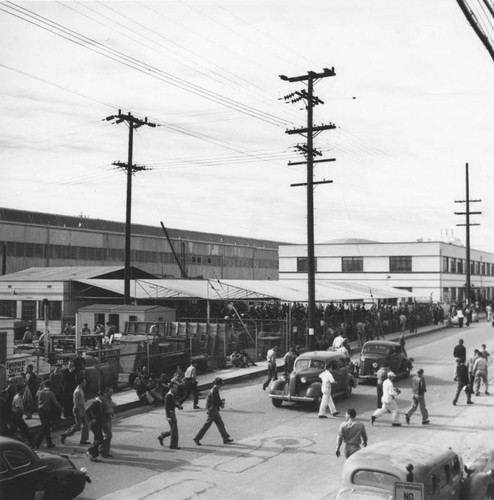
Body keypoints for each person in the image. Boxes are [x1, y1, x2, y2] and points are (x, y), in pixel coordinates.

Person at [193, 377, 233, 446]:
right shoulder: (214, 391)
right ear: (218, 384)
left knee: (219, 424)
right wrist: (221, 403)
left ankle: (225, 438)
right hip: (213, 410)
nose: (221, 386)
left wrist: (220, 403)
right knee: (208, 425)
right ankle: (197, 438)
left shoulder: (213, 390)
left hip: (213, 409)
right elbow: (216, 401)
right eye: (221, 384)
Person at [61, 378, 90, 446]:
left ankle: (83, 439)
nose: (85, 382)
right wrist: (80, 411)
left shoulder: (80, 389)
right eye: (84, 381)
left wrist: (84, 400)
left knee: (86, 424)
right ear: (81, 383)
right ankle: (65, 434)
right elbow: (76, 402)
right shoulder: (77, 391)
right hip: (78, 409)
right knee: (78, 425)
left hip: (82, 407)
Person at [34, 380, 62, 449]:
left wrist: (40, 387)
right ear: (49, 385)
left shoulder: (39, 392)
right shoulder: (50, 393)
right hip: (46, 411)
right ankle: (36, 443)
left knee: (46, 427)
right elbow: (55, 403)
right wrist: (60, 408)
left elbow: (36, 396)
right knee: (44, 428)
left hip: (40, 411)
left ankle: (49, 443)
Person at [157, 381, 182, 450]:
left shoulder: (172, 394)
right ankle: (173, 445)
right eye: (174, 388)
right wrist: (168, 417)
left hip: (172, 413)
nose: (176, 389)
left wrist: (178, 406)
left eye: (176, 388)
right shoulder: (168, 395)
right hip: (170, 414)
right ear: (171, 388)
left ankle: (162, 436)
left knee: (173, 429)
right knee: (174, 430)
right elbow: (167, 407)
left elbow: (172, 404)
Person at [86, 391, 105, 462]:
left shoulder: (99, 402)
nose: (104, 398)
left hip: (98, 423)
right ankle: (90, 450)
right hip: (95, 424)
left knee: (97, 439)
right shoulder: (95, 402)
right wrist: (92, 418)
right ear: (100, 395)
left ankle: (94, 456)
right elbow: (87, 410)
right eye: (103, 396)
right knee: (100, 439)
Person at [100, 387, 116, 457]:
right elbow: (100, 411)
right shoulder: (102, 400)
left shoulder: (109, 399)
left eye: (112, 393)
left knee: (109, 436)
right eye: (110, 392)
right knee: (108, 435)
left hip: (109, 419)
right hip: (104, 419)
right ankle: (102, 451)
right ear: (106, 392)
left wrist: (112, 405)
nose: (111, 394)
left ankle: (106, 451)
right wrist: (108, 411)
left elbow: (110, 406)